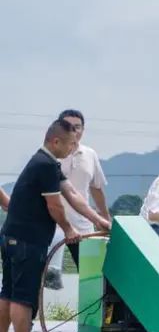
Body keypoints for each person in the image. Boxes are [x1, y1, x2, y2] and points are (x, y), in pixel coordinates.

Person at [1, 120, 111, 332]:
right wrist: (69, 229)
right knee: (23, 295)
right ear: (55, 141)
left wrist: (100, 220)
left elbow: (72, 194)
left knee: (9, 291)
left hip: (14, 235)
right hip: (27, 239)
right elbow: (55, 205)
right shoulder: (45, 165)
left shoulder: (48, 163)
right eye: (71, 144)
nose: (73, 148)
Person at [45, 109, 110, 275]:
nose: (74, 130)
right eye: (69, 126)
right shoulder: (52, 154)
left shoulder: (90, 154)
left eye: (78, 126)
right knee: (48, 276)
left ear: (83, 129)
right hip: (53, 223)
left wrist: (103, 217)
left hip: (82, 224)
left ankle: (92, 302)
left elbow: (96, 188)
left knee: (91, 273)